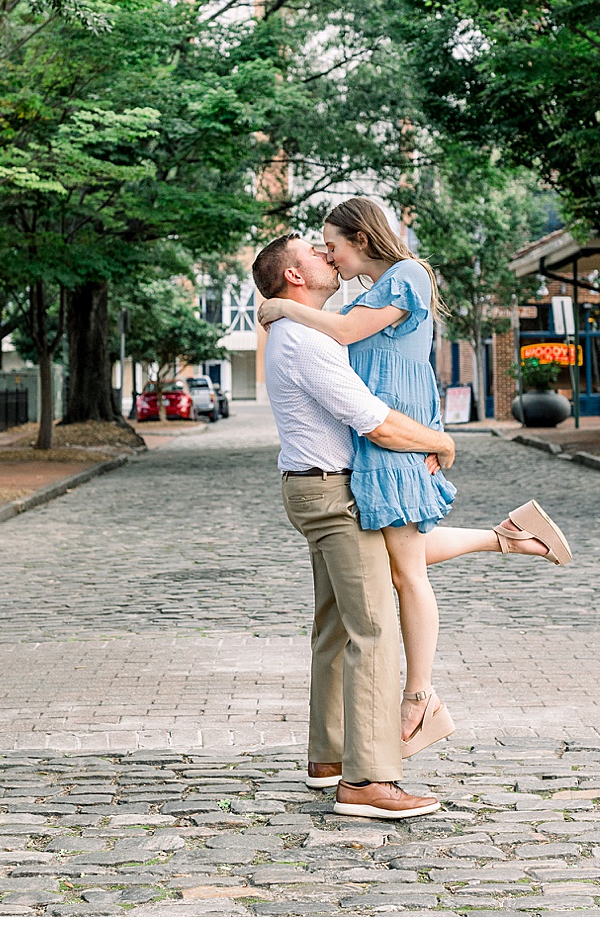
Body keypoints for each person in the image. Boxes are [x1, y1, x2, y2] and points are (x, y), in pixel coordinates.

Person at [258, 198, 572, 759]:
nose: (328, 253)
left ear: (360, 237)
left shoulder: (408, 274)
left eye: (332, 244)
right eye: (319, 249)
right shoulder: (361, 291)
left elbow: (350, 335)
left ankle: (418, 698)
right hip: (378, 436)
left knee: (403, 573)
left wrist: (284, 309)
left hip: (395, 432)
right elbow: (348, 336)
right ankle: (509, 538)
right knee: (400, 557)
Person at [253, 232, 452, 821]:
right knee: (373, 629)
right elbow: (375, 422)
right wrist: (440, 440)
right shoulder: (305, 341)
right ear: (294, 275)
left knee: (336, 626)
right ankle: (368, 779)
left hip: (310, 485)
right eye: (315, 251)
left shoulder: (304, 328)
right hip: (333, 493)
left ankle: (329, 758)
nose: (327, 254)